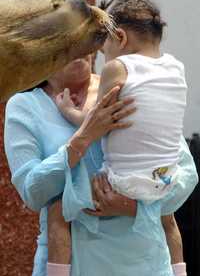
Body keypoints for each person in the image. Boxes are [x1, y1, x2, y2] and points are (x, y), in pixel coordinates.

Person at [4, 59, 197, 275]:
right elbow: (33, 193)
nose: (79, 48)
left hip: (145, 263)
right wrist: (84, 138)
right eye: (69, 40)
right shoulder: (23, 106)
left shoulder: (127, 87)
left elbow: (186, 175)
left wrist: (132, 207)